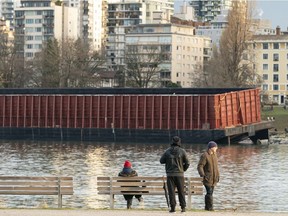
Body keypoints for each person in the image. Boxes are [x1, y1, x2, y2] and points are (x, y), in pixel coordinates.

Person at [160, 136, 190, 213]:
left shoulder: (167, 151)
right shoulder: (182, 151)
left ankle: (173, 208)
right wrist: (183, 169)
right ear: (179, 142)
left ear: (172, 142)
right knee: (181, 191)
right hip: (180, 174)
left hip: (170, 175)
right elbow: (187, 163)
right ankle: (183, 207)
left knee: (171, 192)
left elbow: (161, 161)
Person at [197, 141, 220, 211]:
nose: (216, 148)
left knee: (210, 193)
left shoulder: (215, 155)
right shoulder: (205, 155)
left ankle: (207, 208)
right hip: (207, 178)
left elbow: (216, 167)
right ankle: (210, 208)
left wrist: (218, 175)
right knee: (209, 192)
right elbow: (200, 166)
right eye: (215, 147)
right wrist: (203, 175)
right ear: (211, 148)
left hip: (214, 178)